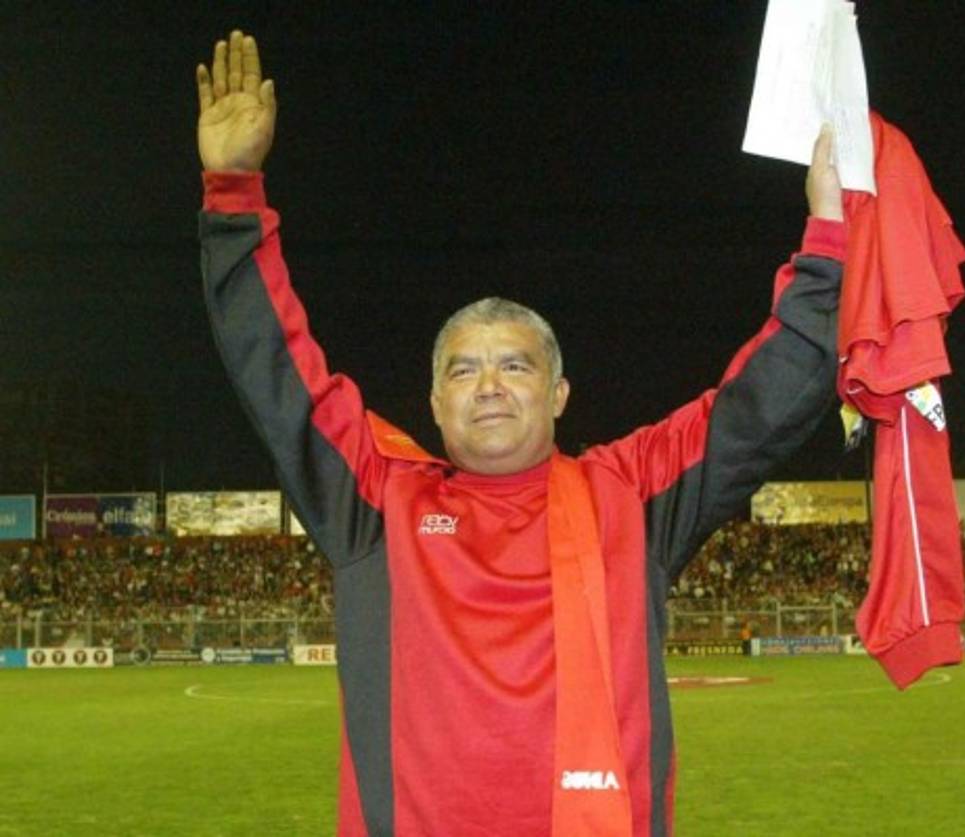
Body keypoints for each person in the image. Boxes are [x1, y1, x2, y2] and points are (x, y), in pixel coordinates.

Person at [196, 30, 845, 837]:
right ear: (432, 403)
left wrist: (829, 239)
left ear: (561, 392)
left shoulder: (630, 494)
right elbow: (275, 370)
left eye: (517, 365)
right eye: (464, 370)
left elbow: (762, 408)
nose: (492, 385)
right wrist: (232, 193)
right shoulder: (375, 498)